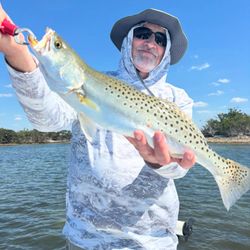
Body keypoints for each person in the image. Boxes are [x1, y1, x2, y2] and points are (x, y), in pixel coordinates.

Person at [0, 5, 196, 250]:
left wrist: (160, 163)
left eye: (160, 39)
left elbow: (179, 169)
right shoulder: (91, 82)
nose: (150, 43)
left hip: (152, 242)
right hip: (85, 239)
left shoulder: (178, 98)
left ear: (166, 51)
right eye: (143, 34)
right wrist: (14, 51)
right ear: (128, 41)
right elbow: (47, 120)